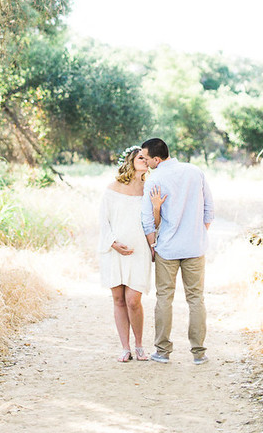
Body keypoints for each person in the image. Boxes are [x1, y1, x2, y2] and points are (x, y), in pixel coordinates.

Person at [141, 137, 214, 365]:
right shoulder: (195, 171)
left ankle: (162, 351)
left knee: (164, 298)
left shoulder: (155, 179)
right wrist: (198, 233)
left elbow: (147, 220)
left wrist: (153, 245)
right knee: (196, 299)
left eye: (145, 158)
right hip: (194, 246)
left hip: (168, 248)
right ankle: (199, 353)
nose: (144, 162)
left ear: (156, 158)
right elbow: (209, 210)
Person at [99, 146, 165, 362]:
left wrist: (156, 208)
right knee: (118, 299)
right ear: (130, 160)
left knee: (133, 300)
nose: (145, 161)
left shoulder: (150, 188)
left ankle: (139, 345)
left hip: (139, 250)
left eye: (146, 158)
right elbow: (103, 222)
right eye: (140, 158)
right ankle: (125, 348)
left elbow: (154, 225)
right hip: (114, 250)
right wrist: (113, 243)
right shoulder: (112, 188)